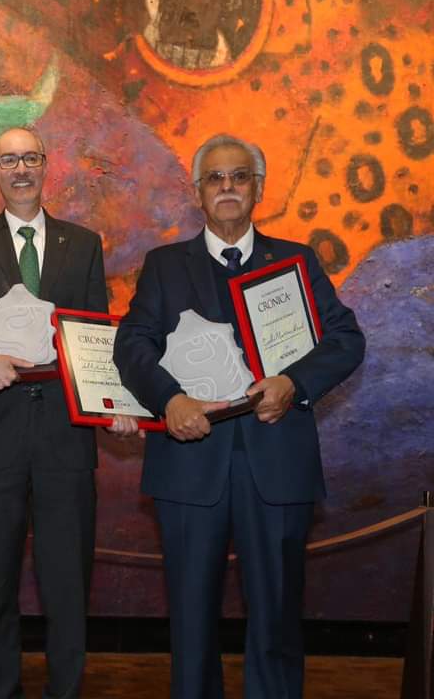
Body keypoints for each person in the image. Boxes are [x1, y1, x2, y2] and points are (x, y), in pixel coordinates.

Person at [113, 133, 365, 698]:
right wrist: (170, 399)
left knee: (277, 616)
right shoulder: (163, 265)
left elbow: (346, 339)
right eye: (215, 178)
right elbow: (132, 345)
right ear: (197, 192)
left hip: (277, 463)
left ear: (259, 188)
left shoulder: (296, 261)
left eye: (239, 176)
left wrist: (294, 383)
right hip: (189, 465)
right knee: (191, 620)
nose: (227, 187)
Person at [0, 127, 138, 699]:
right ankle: (2, 690)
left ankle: (65, 690)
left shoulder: (83, 243)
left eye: (30, 159)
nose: (20, 170)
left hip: (67, 435)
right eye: (8, 161)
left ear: (46, 166)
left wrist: (113, 402)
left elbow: (95, 333)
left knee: (68, 581)